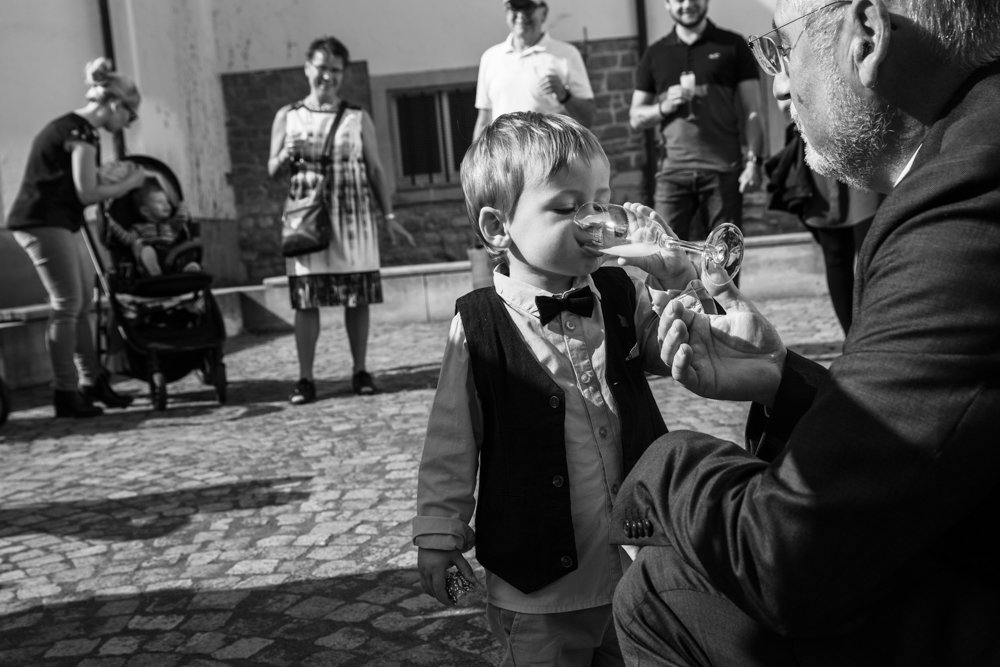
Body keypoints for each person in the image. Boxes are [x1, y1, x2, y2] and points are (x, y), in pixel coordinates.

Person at [610, 1, 1000, 666]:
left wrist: (651, 469)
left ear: (866, 36)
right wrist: (783, 378)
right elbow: (932, 440)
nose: (779, 82)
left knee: (659, 588)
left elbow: (790, 558)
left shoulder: (960, 200)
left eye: (778, 47)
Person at [413, 111, 711, 667]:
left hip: (637, 563)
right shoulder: (478, 326)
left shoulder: (619, 292)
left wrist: (675, 279)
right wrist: (439, 533)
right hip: (540, 590)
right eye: (567, 206)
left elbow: (675, 349)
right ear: (499, 229)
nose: (593, 220)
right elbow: (450, 440)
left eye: (600, 201)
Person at [268, 36, 414, 404]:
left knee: (357, 297)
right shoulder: (288, 116)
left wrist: (389, 214)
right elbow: (271, 170)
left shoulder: (356, 116)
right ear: (307, 68)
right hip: (307, 220)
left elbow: (376, 169)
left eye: (335, 70)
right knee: (306, 299)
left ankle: (360, 370)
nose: (328, 77)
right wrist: (285, 155)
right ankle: (305, 378)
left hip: (354, 219)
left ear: (343, 74)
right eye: (321, 68)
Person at [5, 57, 141, 418]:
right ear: (116, 104)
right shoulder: (81, 132)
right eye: (131, 114)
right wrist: (130, 182)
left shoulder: (77, 130)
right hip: (41, 221)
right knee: (67, 305)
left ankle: (90, 382)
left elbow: (80, 186)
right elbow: (86, 192)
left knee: (81, 304)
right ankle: (65, 392)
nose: (128, 122)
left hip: (58, 221)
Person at [629, 0, 765, 245]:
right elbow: (636, 118)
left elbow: (752, 110)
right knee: (662, 252)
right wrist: (664, 107)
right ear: (667, 4)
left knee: (725, 257)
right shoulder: (655, 54)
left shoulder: (732, 45)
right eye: (679, 0)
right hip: (672, 173)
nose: (688, 4)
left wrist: (754, 161)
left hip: (723, 170)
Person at [765, 102, 883, 334]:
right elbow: (781, 101)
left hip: (863, 145)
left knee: (874, 252)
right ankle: (853, 340)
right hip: (820, 148)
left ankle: (878, 334)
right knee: (835, 254)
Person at [472, 0, 596, 140]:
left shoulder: (567, 54)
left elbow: (588, 119)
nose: (520, 14)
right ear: (506, 11)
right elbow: (484, 121)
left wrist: (564, 94)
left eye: (528, 7)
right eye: (514, 6)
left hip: (549, 157)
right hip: (504, 159)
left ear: (544, 13)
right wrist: (474, 161)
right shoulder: (490, 58)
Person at [106, 177, 201, 277]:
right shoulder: (139, 228)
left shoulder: (170, 225)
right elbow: (127, 238)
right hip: (150, 251)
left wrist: (181, 203)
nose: (166, 205)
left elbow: (181, 218)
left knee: (182, 249)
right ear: (145, 211)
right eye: (160, 202)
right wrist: (112, 224)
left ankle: (185, 270)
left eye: (167, 202)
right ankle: (150, 269)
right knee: (139, 245)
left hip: (171, 255)